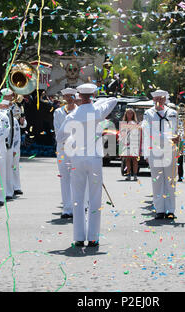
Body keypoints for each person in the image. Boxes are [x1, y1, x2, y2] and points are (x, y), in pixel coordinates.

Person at [56, 83, 117, 247]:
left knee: (77, 198)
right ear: (92, 96)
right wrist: (92, 102)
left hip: (77, 159)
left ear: (78, 96)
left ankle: (78, 236)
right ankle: (93, 237)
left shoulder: (72, 115)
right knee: (95, 199)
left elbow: (60, 137)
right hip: (94, 159)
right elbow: (113, 100)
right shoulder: (97, 111)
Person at [142, 90, 178, 220]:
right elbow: (148, 133)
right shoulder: (149, 113)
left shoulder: (172, 113)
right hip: (154, 151)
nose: (159, 100)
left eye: (161, 98)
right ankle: (159, 209)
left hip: (170, 151)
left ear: (165, 99)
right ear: (153, 100)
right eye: (156, 98)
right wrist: (145, 153)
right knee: (157, 181)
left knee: (170, 181)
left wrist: (179, 137)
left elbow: (177, 130)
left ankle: (170, 210)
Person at [53, 88, 78, 219]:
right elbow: (58, 132)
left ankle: (79, 205)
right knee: (65, 178)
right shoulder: (58, 112)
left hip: (77, 149)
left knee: (77, 178)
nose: (69, 98)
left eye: (71, 96)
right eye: (66, 96)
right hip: (63, 148)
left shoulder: (79, 111)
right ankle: (67, 208)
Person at [120, 108, 140, 181]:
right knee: (127, 159)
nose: (130, 114)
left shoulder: (136, 122)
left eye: (131, 113)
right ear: (126, 114)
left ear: (133, 114)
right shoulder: (123, 123)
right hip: (126, 143)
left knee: (134, 159)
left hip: (134, 143)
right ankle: (128, 175)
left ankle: (135, 175)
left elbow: (137, 133)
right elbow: (121, 133)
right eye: (128, 113)